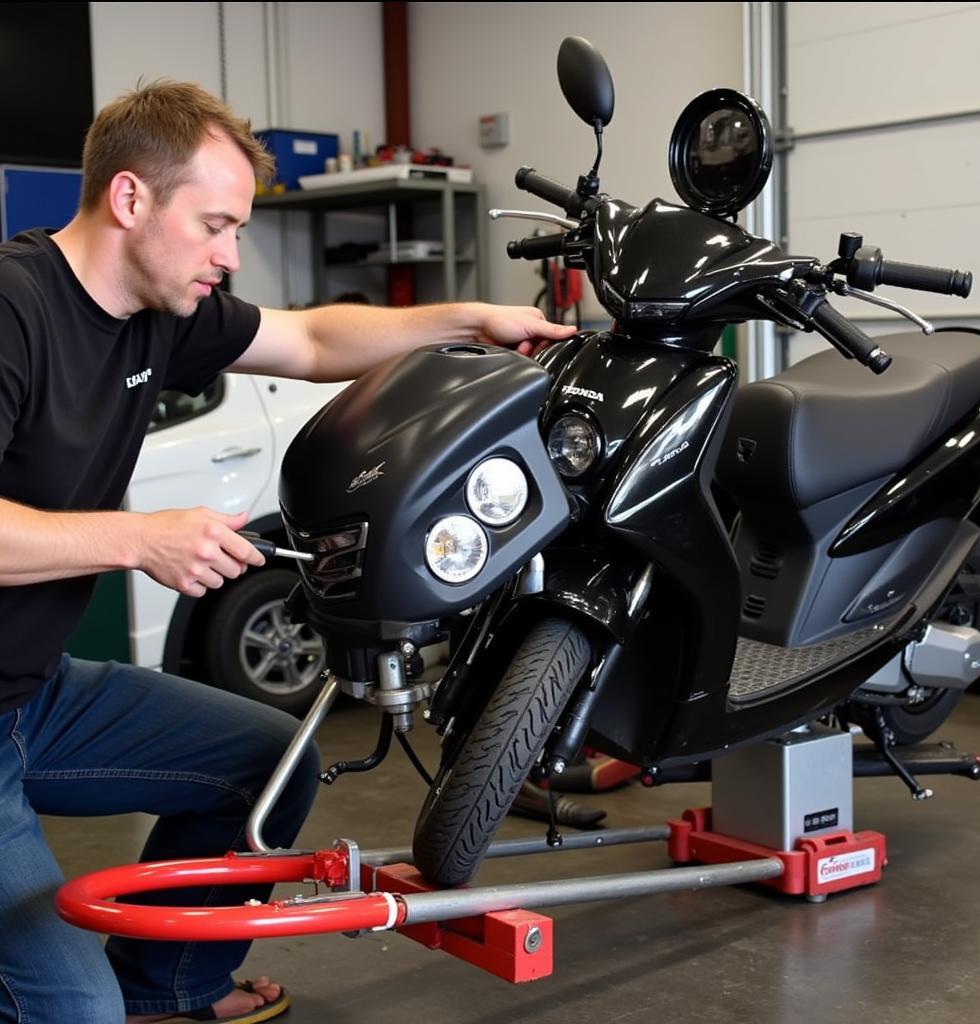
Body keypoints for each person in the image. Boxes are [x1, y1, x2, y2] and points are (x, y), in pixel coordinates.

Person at [0, 81, 576, 1024]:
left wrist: (470, 321)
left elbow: (310, 337)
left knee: (265, 758)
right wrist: (138, 537)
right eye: (217, 225)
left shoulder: (159, 311)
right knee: (70, 1014)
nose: (230, 256)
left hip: (33, 695)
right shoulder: (15, 308)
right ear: (131, 198)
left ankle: (169, 991)